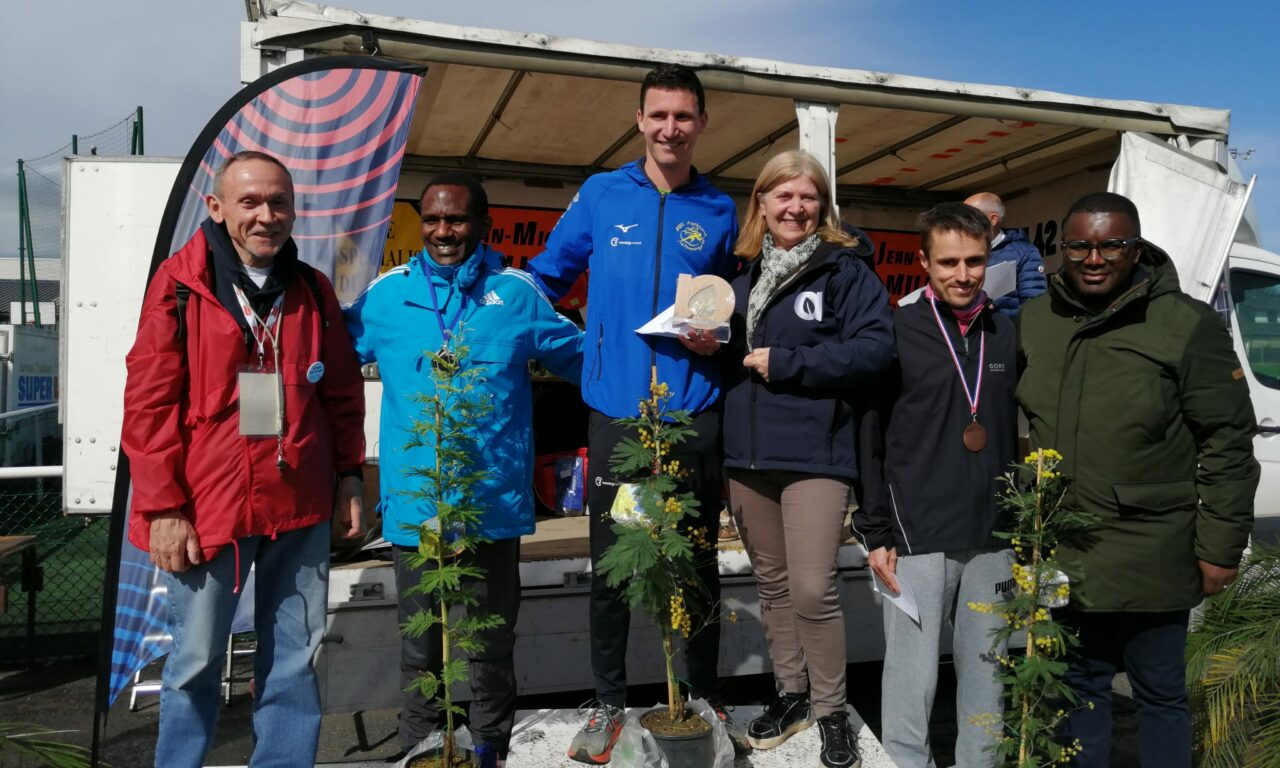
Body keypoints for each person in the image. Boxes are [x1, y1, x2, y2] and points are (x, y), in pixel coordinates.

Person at [525, 63, 743, 763]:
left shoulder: (718, 207)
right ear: (640, 119)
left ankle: (701, 692)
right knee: (616, 563)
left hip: (691, 412)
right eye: (658, 115)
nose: (670, 128)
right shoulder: (600, 194)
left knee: (697, 560)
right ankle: (608, 701)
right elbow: (547, 278)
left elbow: (728, 309)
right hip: (618, 411)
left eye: (684, 116)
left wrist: (721, 338)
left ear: (701, 124)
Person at [122, 151, 366, 768]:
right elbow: (148, 408)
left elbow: (340, 395)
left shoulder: (312, 288)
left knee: (293, 657)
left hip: (300, 502)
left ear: (293, 209)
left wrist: (348, 478)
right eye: (250, 202)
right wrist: (163, 508)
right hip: (208, 511)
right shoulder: (180, 287)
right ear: (217, 207)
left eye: (278, 202)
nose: (266, 216)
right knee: (195, 662)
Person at [344, 172, 583, 768]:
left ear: (483, 225)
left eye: (456, 219)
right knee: (420, 642)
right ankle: (420, 750)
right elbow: (323, 358)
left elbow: (586, 362)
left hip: (492, 506)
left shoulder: (518, 296)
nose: (443, 231)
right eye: (432, 219)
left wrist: (664, 353)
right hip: (417, 504)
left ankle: (489, 750)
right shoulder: (386, 297)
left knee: (490, 642)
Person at [1016, 192, 1259, 768]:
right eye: (1080, 245)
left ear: (1135, 247)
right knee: (1080, 694)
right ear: (1062, 249)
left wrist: (1220, 548)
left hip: (1152, 551)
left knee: (1159, 695)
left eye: (1111, 245)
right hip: (1064, 551)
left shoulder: (1184, 324)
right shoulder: (1035, 320)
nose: (1094, 257)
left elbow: (1227, 441)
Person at [721, 150, 894, 768]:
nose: (795, 208)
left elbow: (878, 351)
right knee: (771, 586)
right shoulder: (736, 274)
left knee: (814, 588)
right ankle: (790, 696)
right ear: (761, 204)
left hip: (817, 455)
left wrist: (792, 363)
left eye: (807, 197)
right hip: (746, 457)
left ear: (822, 206)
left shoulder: (844, 272)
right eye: (782, 196)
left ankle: (832, 710)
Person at [855, 202, 1019, 768]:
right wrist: (875, 528)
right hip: (914, 535)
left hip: (992, 536)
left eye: (974, 261)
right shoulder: (896, 332)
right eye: (948, 262)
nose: (963, 274)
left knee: (987, 675)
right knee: (911, 683)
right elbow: (868, 439)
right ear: (923, 261)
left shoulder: (1004, 332)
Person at [963, 192, 1046, 317]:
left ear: (993, 219)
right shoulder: (959, 251)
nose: (961, 224)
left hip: (1003, 333)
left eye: (968, 218)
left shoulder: (1024, 252)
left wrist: (994, 313)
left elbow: (1034, 307)